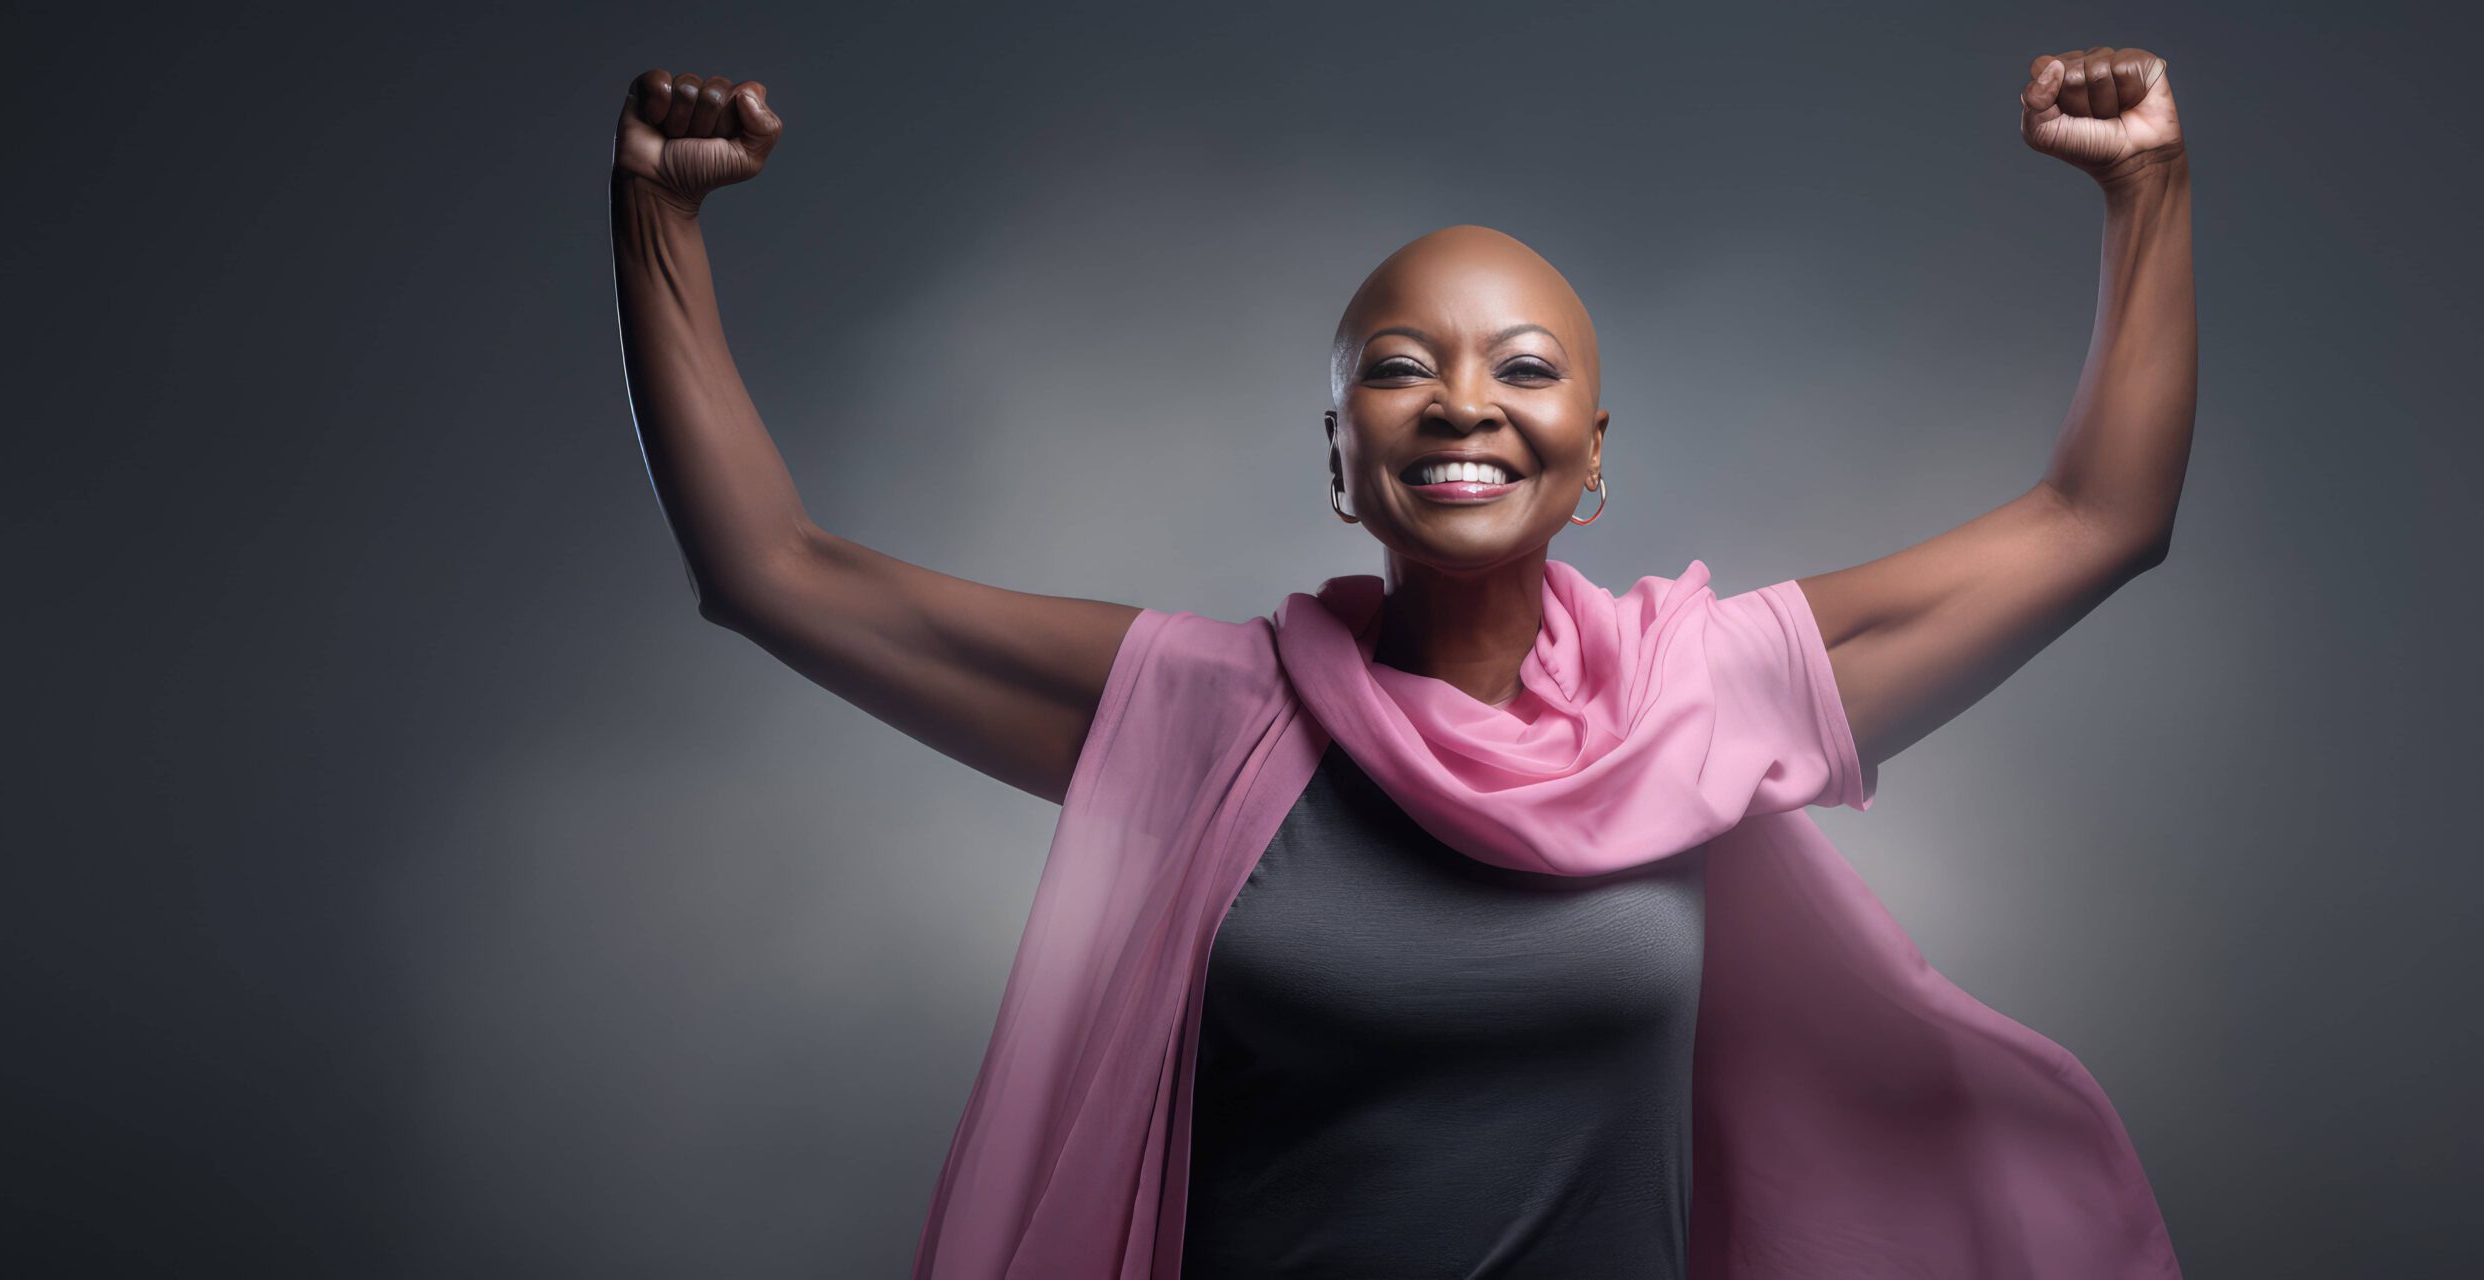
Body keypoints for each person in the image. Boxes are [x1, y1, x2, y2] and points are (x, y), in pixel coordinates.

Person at [609, 45, 2191, 1279]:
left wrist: (2148, 189)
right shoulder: (1209, 710)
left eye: (1524, 367)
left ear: (1592, 457)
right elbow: (775, 571)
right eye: (1399, 368)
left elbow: (2099, 518)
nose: (1461, 402)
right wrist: (657, 221)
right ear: (1340, 458)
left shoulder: (1702, 693)